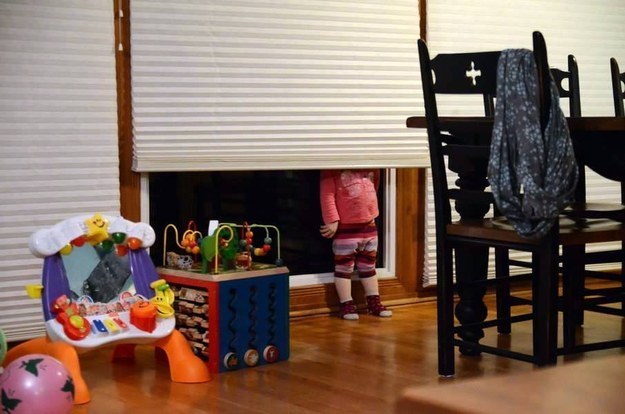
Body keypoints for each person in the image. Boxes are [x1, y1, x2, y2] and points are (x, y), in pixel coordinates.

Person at [320, 169, 392, 320]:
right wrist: (332, 219)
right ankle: (346, 304)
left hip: (369, 225)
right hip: (346, 227)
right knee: (344, 267)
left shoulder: (370, 165)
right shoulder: (332, 169)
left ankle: (373, 301)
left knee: (369, 266)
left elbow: (374, 186)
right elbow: (327, 193)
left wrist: (371, 212)